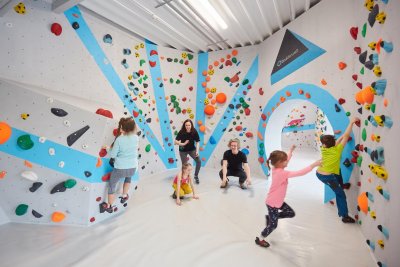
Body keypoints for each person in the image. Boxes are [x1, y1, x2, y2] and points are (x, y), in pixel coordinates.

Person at [255, 145, 321, 248]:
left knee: (290, 213)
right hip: (272, 203)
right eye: (285, 161)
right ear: (279, 163)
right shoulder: (281, 173)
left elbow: (287, 160)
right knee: (273, 225)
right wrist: (313, 165)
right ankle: (260, 239)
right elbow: (300, 173)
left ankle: (271, 217)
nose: (287, 162)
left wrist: (290, 150)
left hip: (278, 201)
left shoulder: (276, 168)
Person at [316, 117, 360, 223]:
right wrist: (351, 123)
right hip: (328, 177)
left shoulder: (324, 149)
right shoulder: (337, 150)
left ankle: (339, 185)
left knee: (338, 172)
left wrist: (340, 139)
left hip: (320, 173)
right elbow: (346, 136)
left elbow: (340, 139)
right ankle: (344, 216)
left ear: (325, 145)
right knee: (340, 194)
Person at [101, 117, 139, 213]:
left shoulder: (119, 140)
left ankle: (109, 206)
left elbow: (113, 155)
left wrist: (107, 148)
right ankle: (124, 195)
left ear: (124, 128)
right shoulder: (136, 138)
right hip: (133, 167)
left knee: (112, 185)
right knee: (128, 177)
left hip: (120, 169)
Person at [174, 119, 201, 184]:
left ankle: (196, 176)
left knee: (198, 161)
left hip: (192, 149)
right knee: (185, 166)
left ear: (191, 125)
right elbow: (175, 142)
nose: (188, 126)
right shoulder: (181, 132)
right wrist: (183, 144)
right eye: (186, 125)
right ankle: (184, 178)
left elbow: (197, 142)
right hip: (183, 150)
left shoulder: (194, 131)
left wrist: (197, 151)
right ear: (184, 126)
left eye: (189, 125)